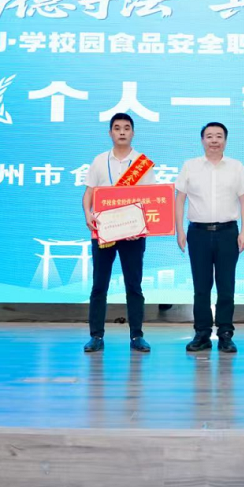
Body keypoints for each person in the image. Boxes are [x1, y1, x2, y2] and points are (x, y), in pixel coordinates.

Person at [175, 122, 244, 353]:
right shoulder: (190, 166)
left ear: (225, 141)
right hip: (198, 233)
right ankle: (202, 333)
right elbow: (179, 200)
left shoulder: (236, 167)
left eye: (219, 136)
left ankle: (225, 333)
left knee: (226, 286)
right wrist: (180, 230)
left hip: (228, 232)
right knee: (201, 286)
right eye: (209, 136)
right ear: (202, 140)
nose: (214, 140)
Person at [81, 112, 154, 353]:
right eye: (117, 128)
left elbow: (150, 199)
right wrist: (87, 214)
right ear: (110, 133)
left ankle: (137, 336)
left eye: (126, 128)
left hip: (133, 234)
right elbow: (89, 194)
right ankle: (96, 336)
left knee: (134, 286)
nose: (122, 132)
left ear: (133, 132)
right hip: (104, 231)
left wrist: (139, 226)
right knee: (99, 285)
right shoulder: (100, 161)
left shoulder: (142, 163)